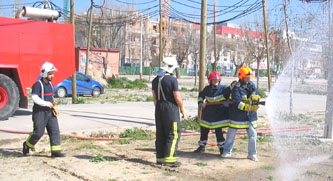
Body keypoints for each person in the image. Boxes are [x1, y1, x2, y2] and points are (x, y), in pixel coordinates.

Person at [23, 62, 65, 158]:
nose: (52, 76)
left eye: (53, 73)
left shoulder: (50, 84)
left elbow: (50, 96)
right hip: (40, 112)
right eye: (50, 73)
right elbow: (34, 98)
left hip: (50, 112)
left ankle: (56, 151)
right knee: (38, 132)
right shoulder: (38, 84)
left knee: (54, 131)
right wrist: (46, 104)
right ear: (44, 73)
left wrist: (53, 105)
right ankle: (27, 145)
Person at [152, 57, 186, 167]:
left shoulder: (155, 80)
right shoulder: (172, 80)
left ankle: (160, 158)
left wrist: (159, 108)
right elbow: (177, 96)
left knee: (161, 133)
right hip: (170, 108)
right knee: (173, 133)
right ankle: (169, 159)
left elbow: (154, 98)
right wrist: (181, 107)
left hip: (159, 107)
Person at [221, 66, 260, 161]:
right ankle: (227, 151)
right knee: (231, 135)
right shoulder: (236, 87)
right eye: (247, 77)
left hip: (249, 116)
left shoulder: (251, 85)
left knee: (253, 134)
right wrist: (246, 107)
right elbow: (236, 101)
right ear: (242, 77)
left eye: (249, 77)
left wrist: (256, 98)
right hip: (237, 116)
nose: (249, 79)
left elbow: (256, 92)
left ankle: (252, 154)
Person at [194, 72, 230, 156]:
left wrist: (233, 85)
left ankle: (222, 148)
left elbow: (230, 92)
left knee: (219, 132)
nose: (215, 82)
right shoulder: (206, 89)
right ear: (210, 81)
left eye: (217, 80)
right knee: (204, 131)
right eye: (214, 80)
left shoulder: (223, 89)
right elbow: (200, 96)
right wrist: (200, 103)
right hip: (207, 114)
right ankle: (202, 147)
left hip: (218, 114)